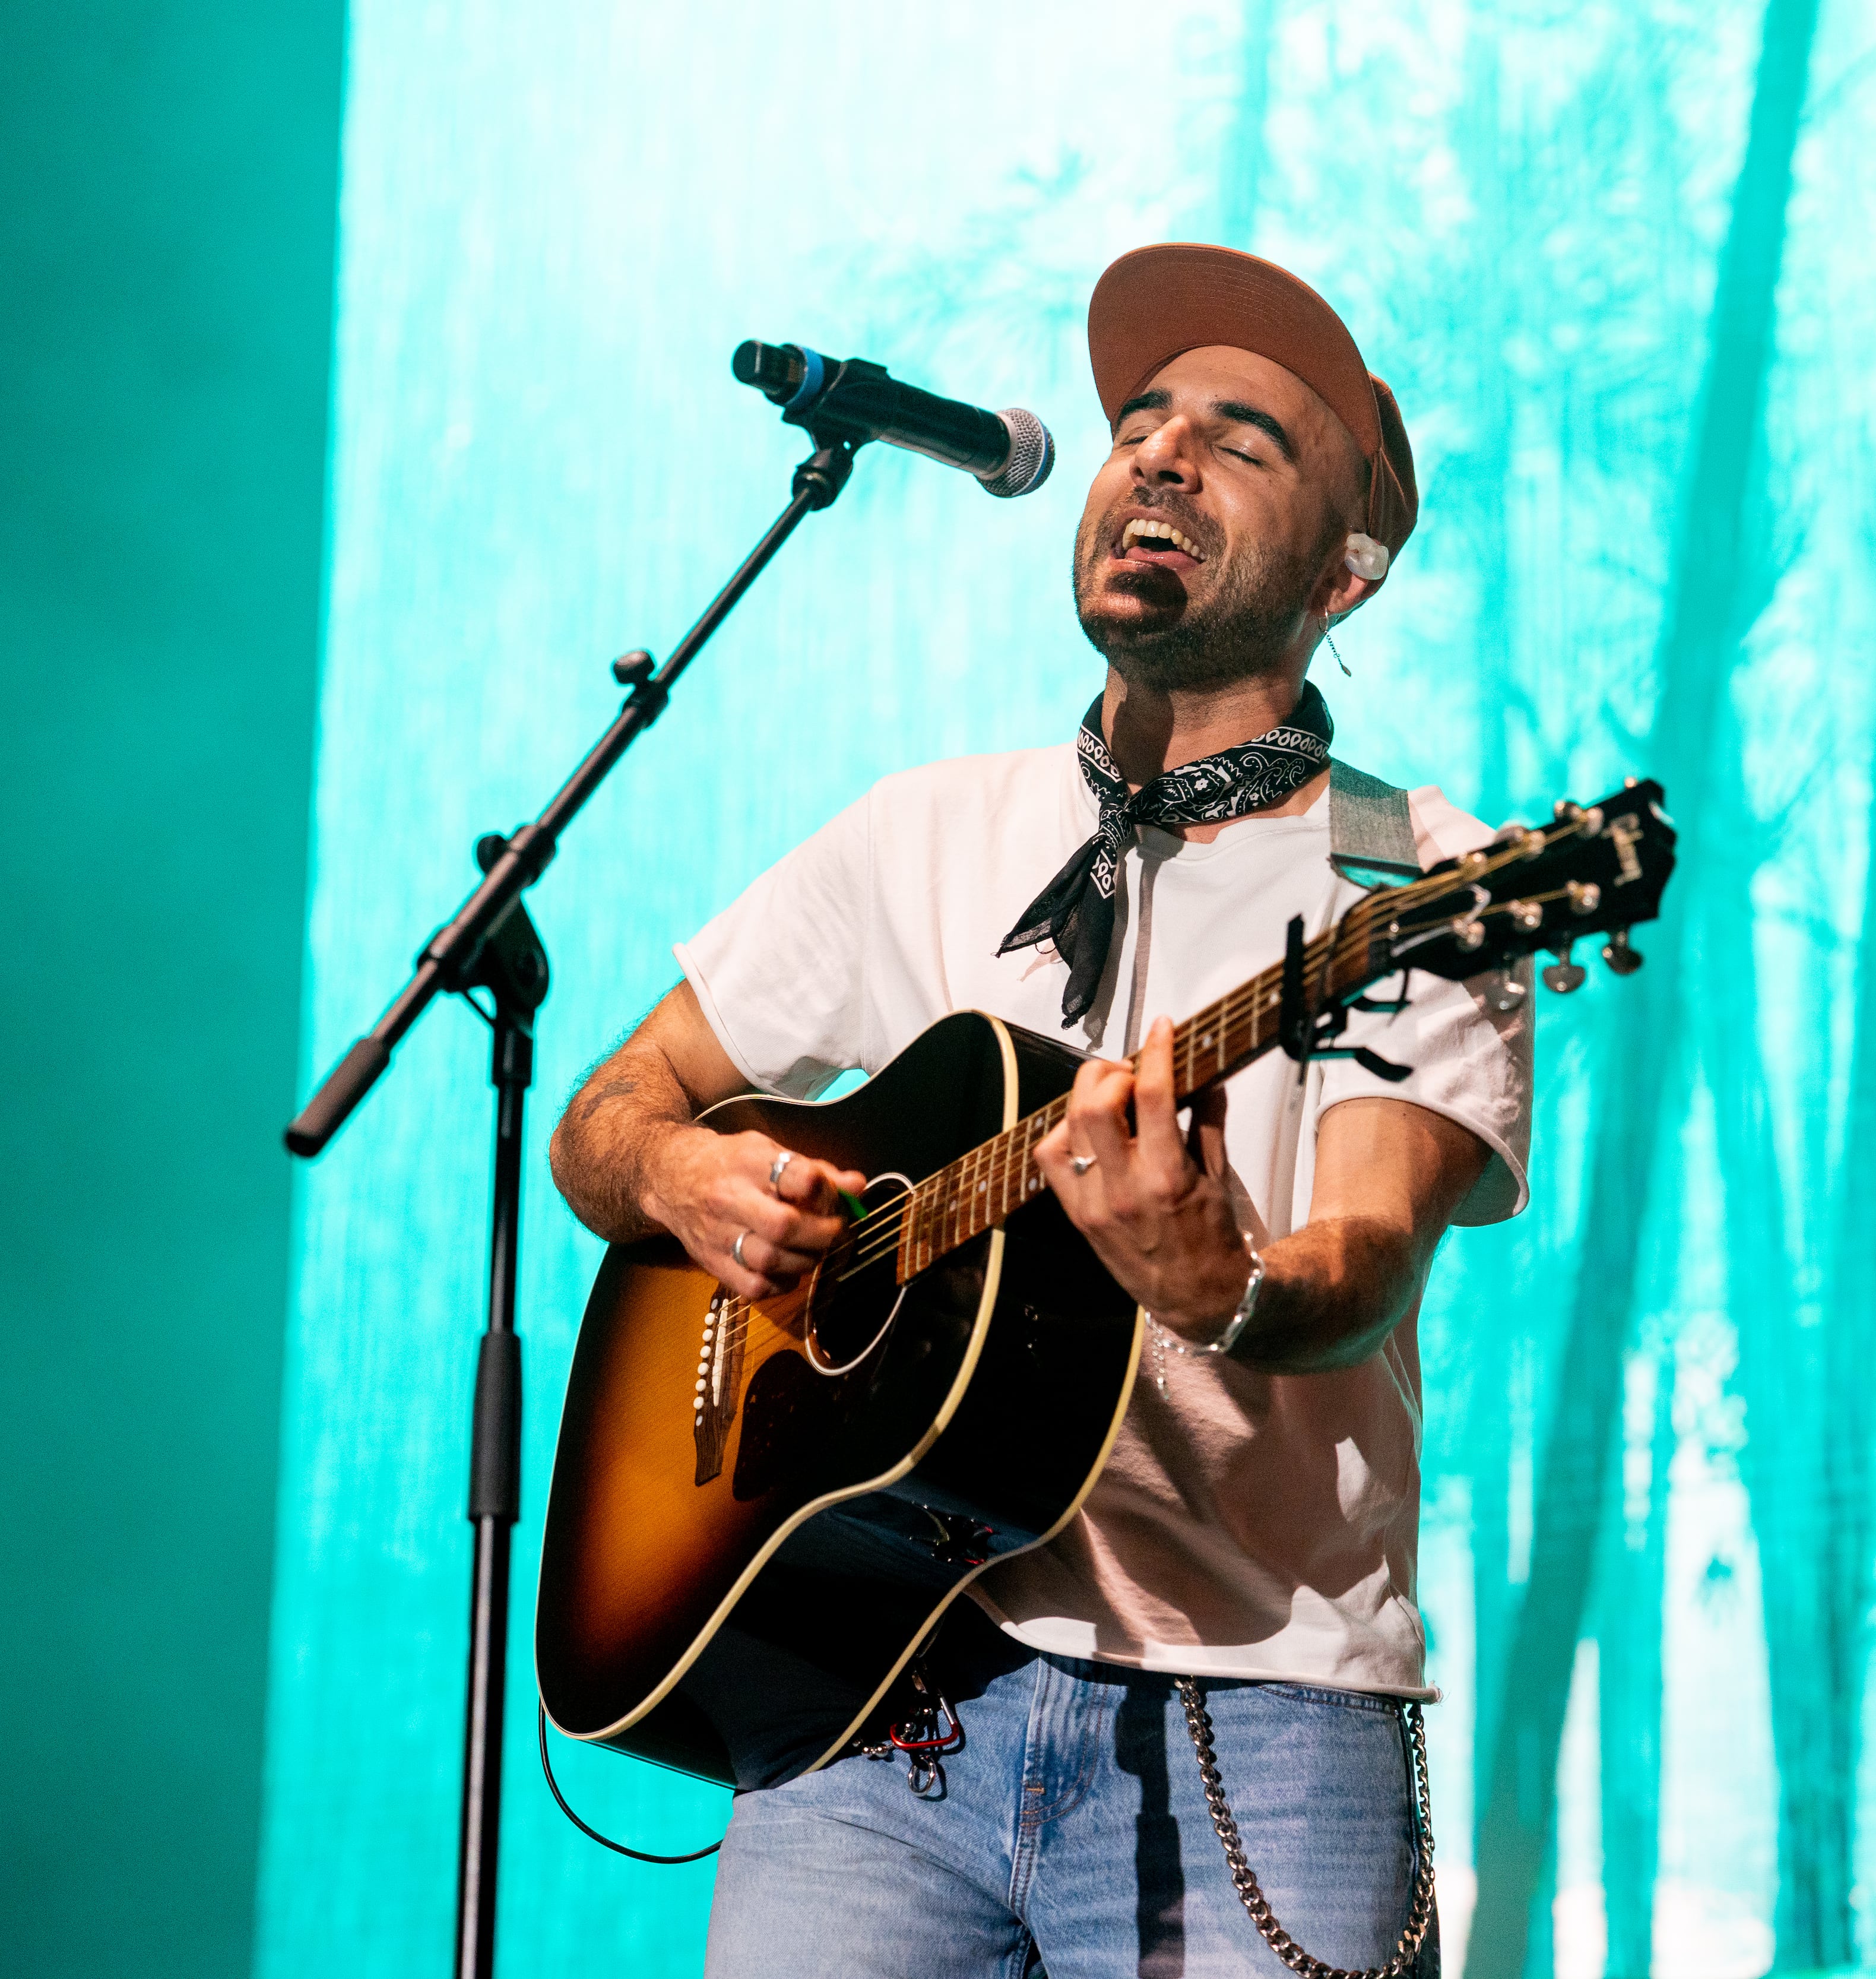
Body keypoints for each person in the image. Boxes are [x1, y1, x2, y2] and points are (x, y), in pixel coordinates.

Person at [546, 244, 1533, 1978]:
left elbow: (1369, 1247)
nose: (1160, 454)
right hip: (874, 1690)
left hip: (1254, 1712)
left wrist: (1222, 1284)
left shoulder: (1414, 874)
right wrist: (690, 1179)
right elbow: (605, 1117)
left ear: (1346, 580)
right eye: (1142, 420)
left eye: (1245, 441)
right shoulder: (923, 827)